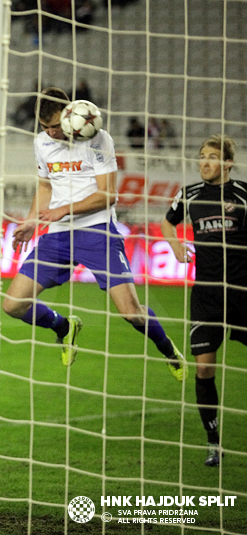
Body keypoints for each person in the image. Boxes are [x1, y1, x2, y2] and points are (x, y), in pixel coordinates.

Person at [1, 88, 188, 381]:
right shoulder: (42, 142)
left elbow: (109, 194)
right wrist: (31, 221)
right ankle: (64, 327)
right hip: (58, 236)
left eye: (53, 126)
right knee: (12, 305)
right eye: (43, 126)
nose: (49, 132)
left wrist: (64, 210)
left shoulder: (98, 139)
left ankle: (169, 351)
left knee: (131, 313)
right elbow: (46, 187)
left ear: (68, 116)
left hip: (97, 232)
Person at [160, 135, 246, 467]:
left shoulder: (243, 195)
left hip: (243, 291)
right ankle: (213, 443)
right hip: (207, 295)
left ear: (227, 163)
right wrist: (175, 245)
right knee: (204, 368)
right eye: (201, 156)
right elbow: (168, 222)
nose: (204, 162)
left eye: (212, 157)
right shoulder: (190, 194)